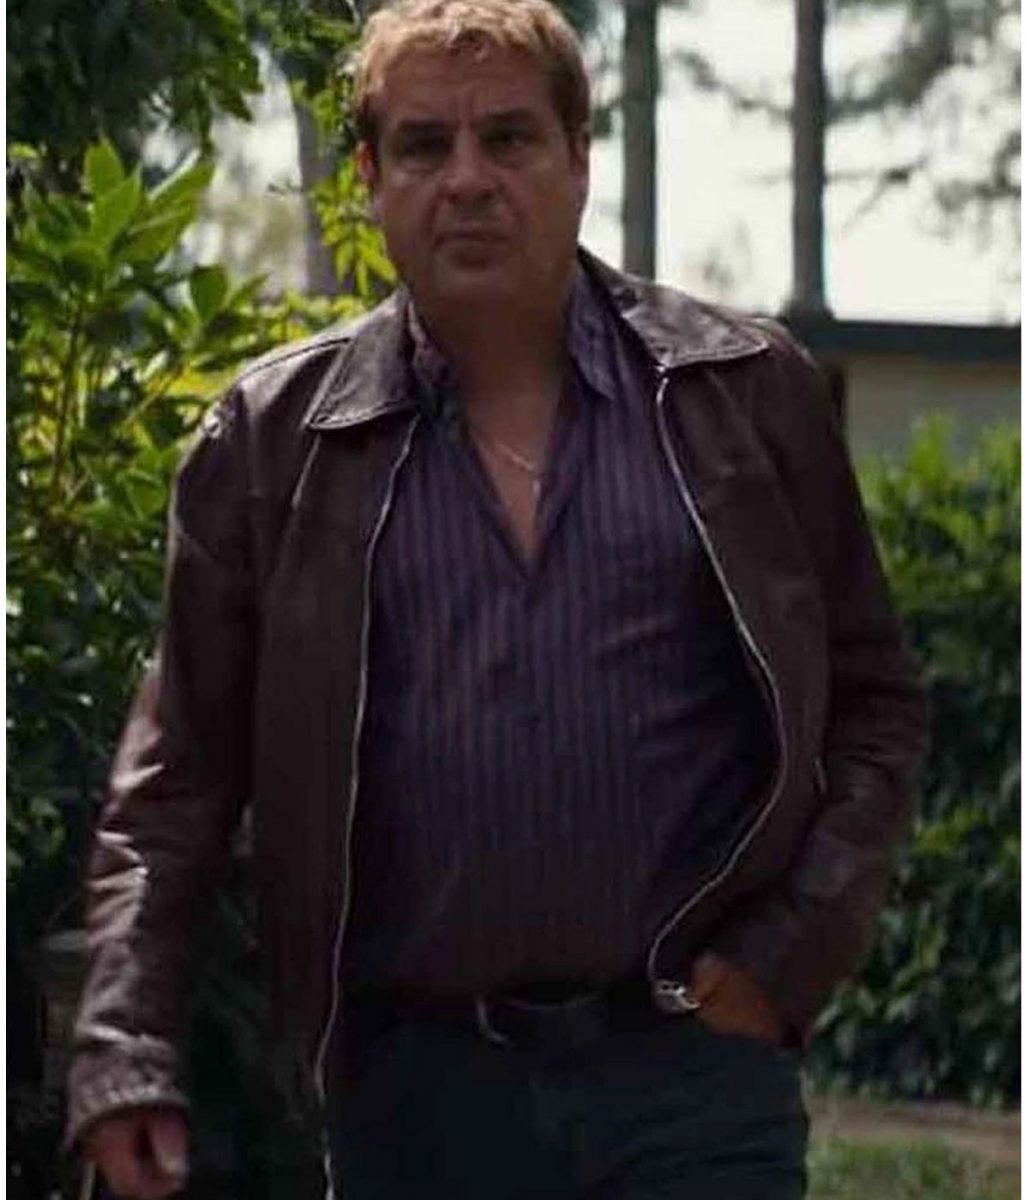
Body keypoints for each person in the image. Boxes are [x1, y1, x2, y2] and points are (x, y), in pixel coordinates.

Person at [68, 1, 927, 1196]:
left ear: (579, 160)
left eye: (509, 138)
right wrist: (123, 1047)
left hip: (692, 1072)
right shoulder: (274, 444)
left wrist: (791, 951)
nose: (467, 180)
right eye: (424, 145)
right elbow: (175, 785)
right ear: (369, 180)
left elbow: (876, 707)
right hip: (417, 1095)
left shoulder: (739, 393)